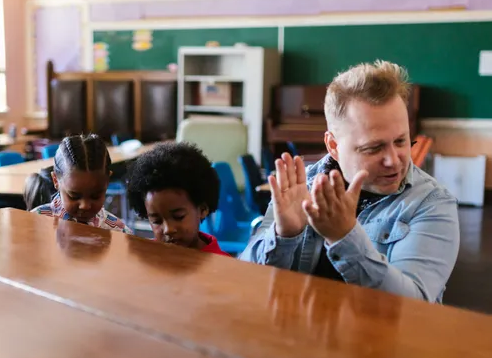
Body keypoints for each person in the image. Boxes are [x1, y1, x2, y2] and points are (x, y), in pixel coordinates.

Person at [240, 61, 460, 302]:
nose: (393, 161)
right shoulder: (302, 187)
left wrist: (345, 237)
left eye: (400, 141)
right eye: (373, 148)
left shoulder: (431, 202)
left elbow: (411, 306)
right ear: (333, 145)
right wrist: (285, 234)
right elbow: (249, 281)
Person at [126, 142, 229, 256]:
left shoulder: (224, 265)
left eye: (178, 217)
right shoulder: (148, 256)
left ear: (203, 209)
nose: (167, 230)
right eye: (157, 221)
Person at [32, 135, 132, 234]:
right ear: (56, 181)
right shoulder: (35, 222)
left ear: (107, 181)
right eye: (74, 196)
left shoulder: (118, 232)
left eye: (95, 196)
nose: (85, 206)